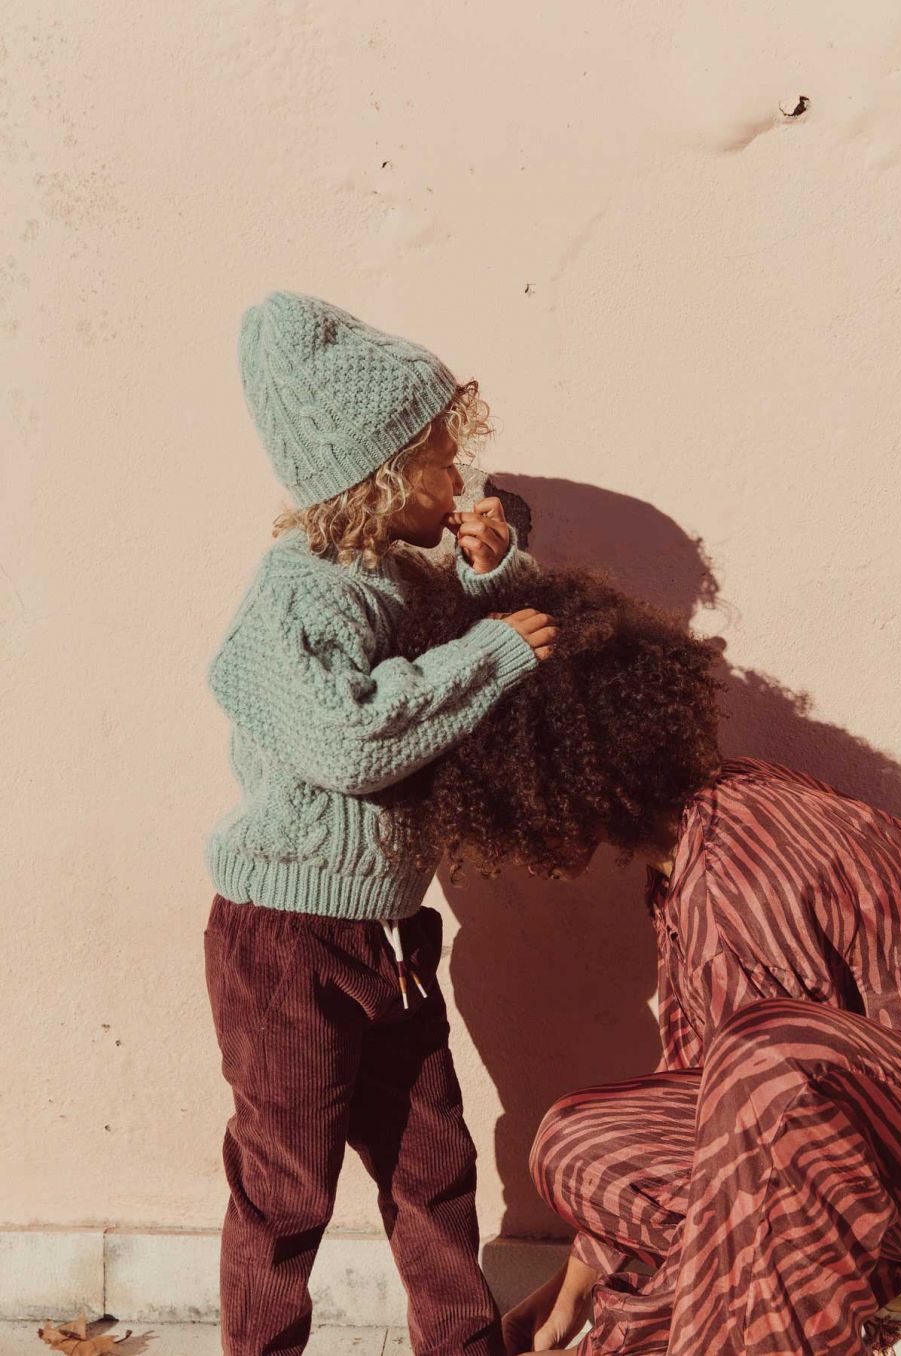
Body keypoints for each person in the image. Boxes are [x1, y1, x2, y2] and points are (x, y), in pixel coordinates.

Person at [378, 565, 901, 1356]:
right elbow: (702, 1103)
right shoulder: (691, 847)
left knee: (762, 1057)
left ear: (556, 775)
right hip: (807, 1160)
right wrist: (570, 1299)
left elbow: (770, 1110)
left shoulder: (755, 862)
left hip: (869, 1173)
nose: (511, 847)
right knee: (577, 1139)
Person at [204, 290, 558, 1356]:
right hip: (287, 939)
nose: (461, 479)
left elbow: (465, 657)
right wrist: (493, 650)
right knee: (286, 1186)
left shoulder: (395, 576)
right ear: (381, 475)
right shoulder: (295, 595)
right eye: (442, 460)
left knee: (433, 1167)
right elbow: (350, 739)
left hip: (392, 933)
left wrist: (488, 575)